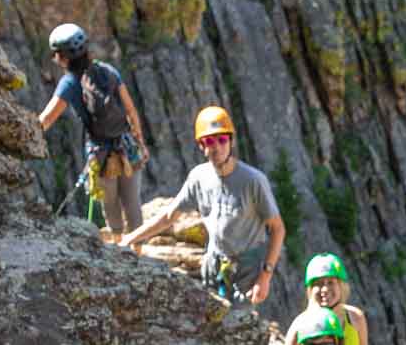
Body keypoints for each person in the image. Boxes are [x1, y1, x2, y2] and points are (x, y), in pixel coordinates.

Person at [119, 104, 284, 303]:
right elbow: (169, 216)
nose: (216, 147)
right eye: (209, 141)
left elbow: (277, 229)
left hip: (247, 271)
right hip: (214, 264)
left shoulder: (253, 181)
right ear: (201, 146)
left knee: (239, 327)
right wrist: (131, 239)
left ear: (231, 141)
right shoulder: (199, 177)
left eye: (222, 139)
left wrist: (265, 276)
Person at [37, 22, 148, 238]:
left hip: (100, 153)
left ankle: (118, 243)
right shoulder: (108, 71)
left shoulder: (69, 84)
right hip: (127, 146)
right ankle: (138, 249)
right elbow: (131, 111)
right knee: (133, 202)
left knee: (110, 205)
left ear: (61, 57)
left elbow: (46, 119)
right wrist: (140, 141)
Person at [282, 252, 373, 345]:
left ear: (341, 286)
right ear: (310, 289)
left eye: (331, 282)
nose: (324, 289)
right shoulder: (300, 326)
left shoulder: (355, 318)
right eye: (318, 284)